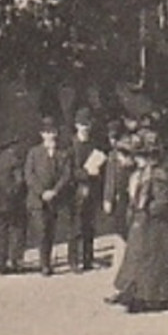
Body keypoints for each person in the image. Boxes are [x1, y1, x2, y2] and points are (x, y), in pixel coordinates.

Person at [108, 131, 168, 313]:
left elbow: (163, 201)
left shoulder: (158, 174)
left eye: (141, 157)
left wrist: (147, 210)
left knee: (152, 262)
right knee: (139, 259)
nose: (138, 160)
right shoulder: (142, 173)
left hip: (156, 226)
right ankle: (136, 293)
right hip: (143, 224)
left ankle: (151, 297)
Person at [23, 117, 74, 277]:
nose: (50, 136)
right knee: (42, 230)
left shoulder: (62, 153)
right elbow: (29, 175)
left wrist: (55, 191)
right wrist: (42, 192)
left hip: (54, 199)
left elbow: (66, 174)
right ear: (41, 134)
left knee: (51, 231)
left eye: (52, 132)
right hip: (38, 200)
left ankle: (47, 261)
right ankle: (44, 264)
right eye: (46, 132)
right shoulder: (34, 152)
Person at [68, 109, 106, 273]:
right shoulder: (71, 145)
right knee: (75, 226)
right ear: (76, 126)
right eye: (82, 124)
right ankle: (74, 260)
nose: (85, 128)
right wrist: (85, 173)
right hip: (75, 190)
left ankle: (88, 259)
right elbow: (68, 170)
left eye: (87, 124)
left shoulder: (93, 144)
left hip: (91, 188)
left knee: (89, 226)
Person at [0, 137, 26, 274]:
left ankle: (1, 264)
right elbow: (19, 182)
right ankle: (15, 261)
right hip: (13, 204)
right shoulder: (16, 162)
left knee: (0, 234)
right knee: (16, 231)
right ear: (12, 147)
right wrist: (18, 196)